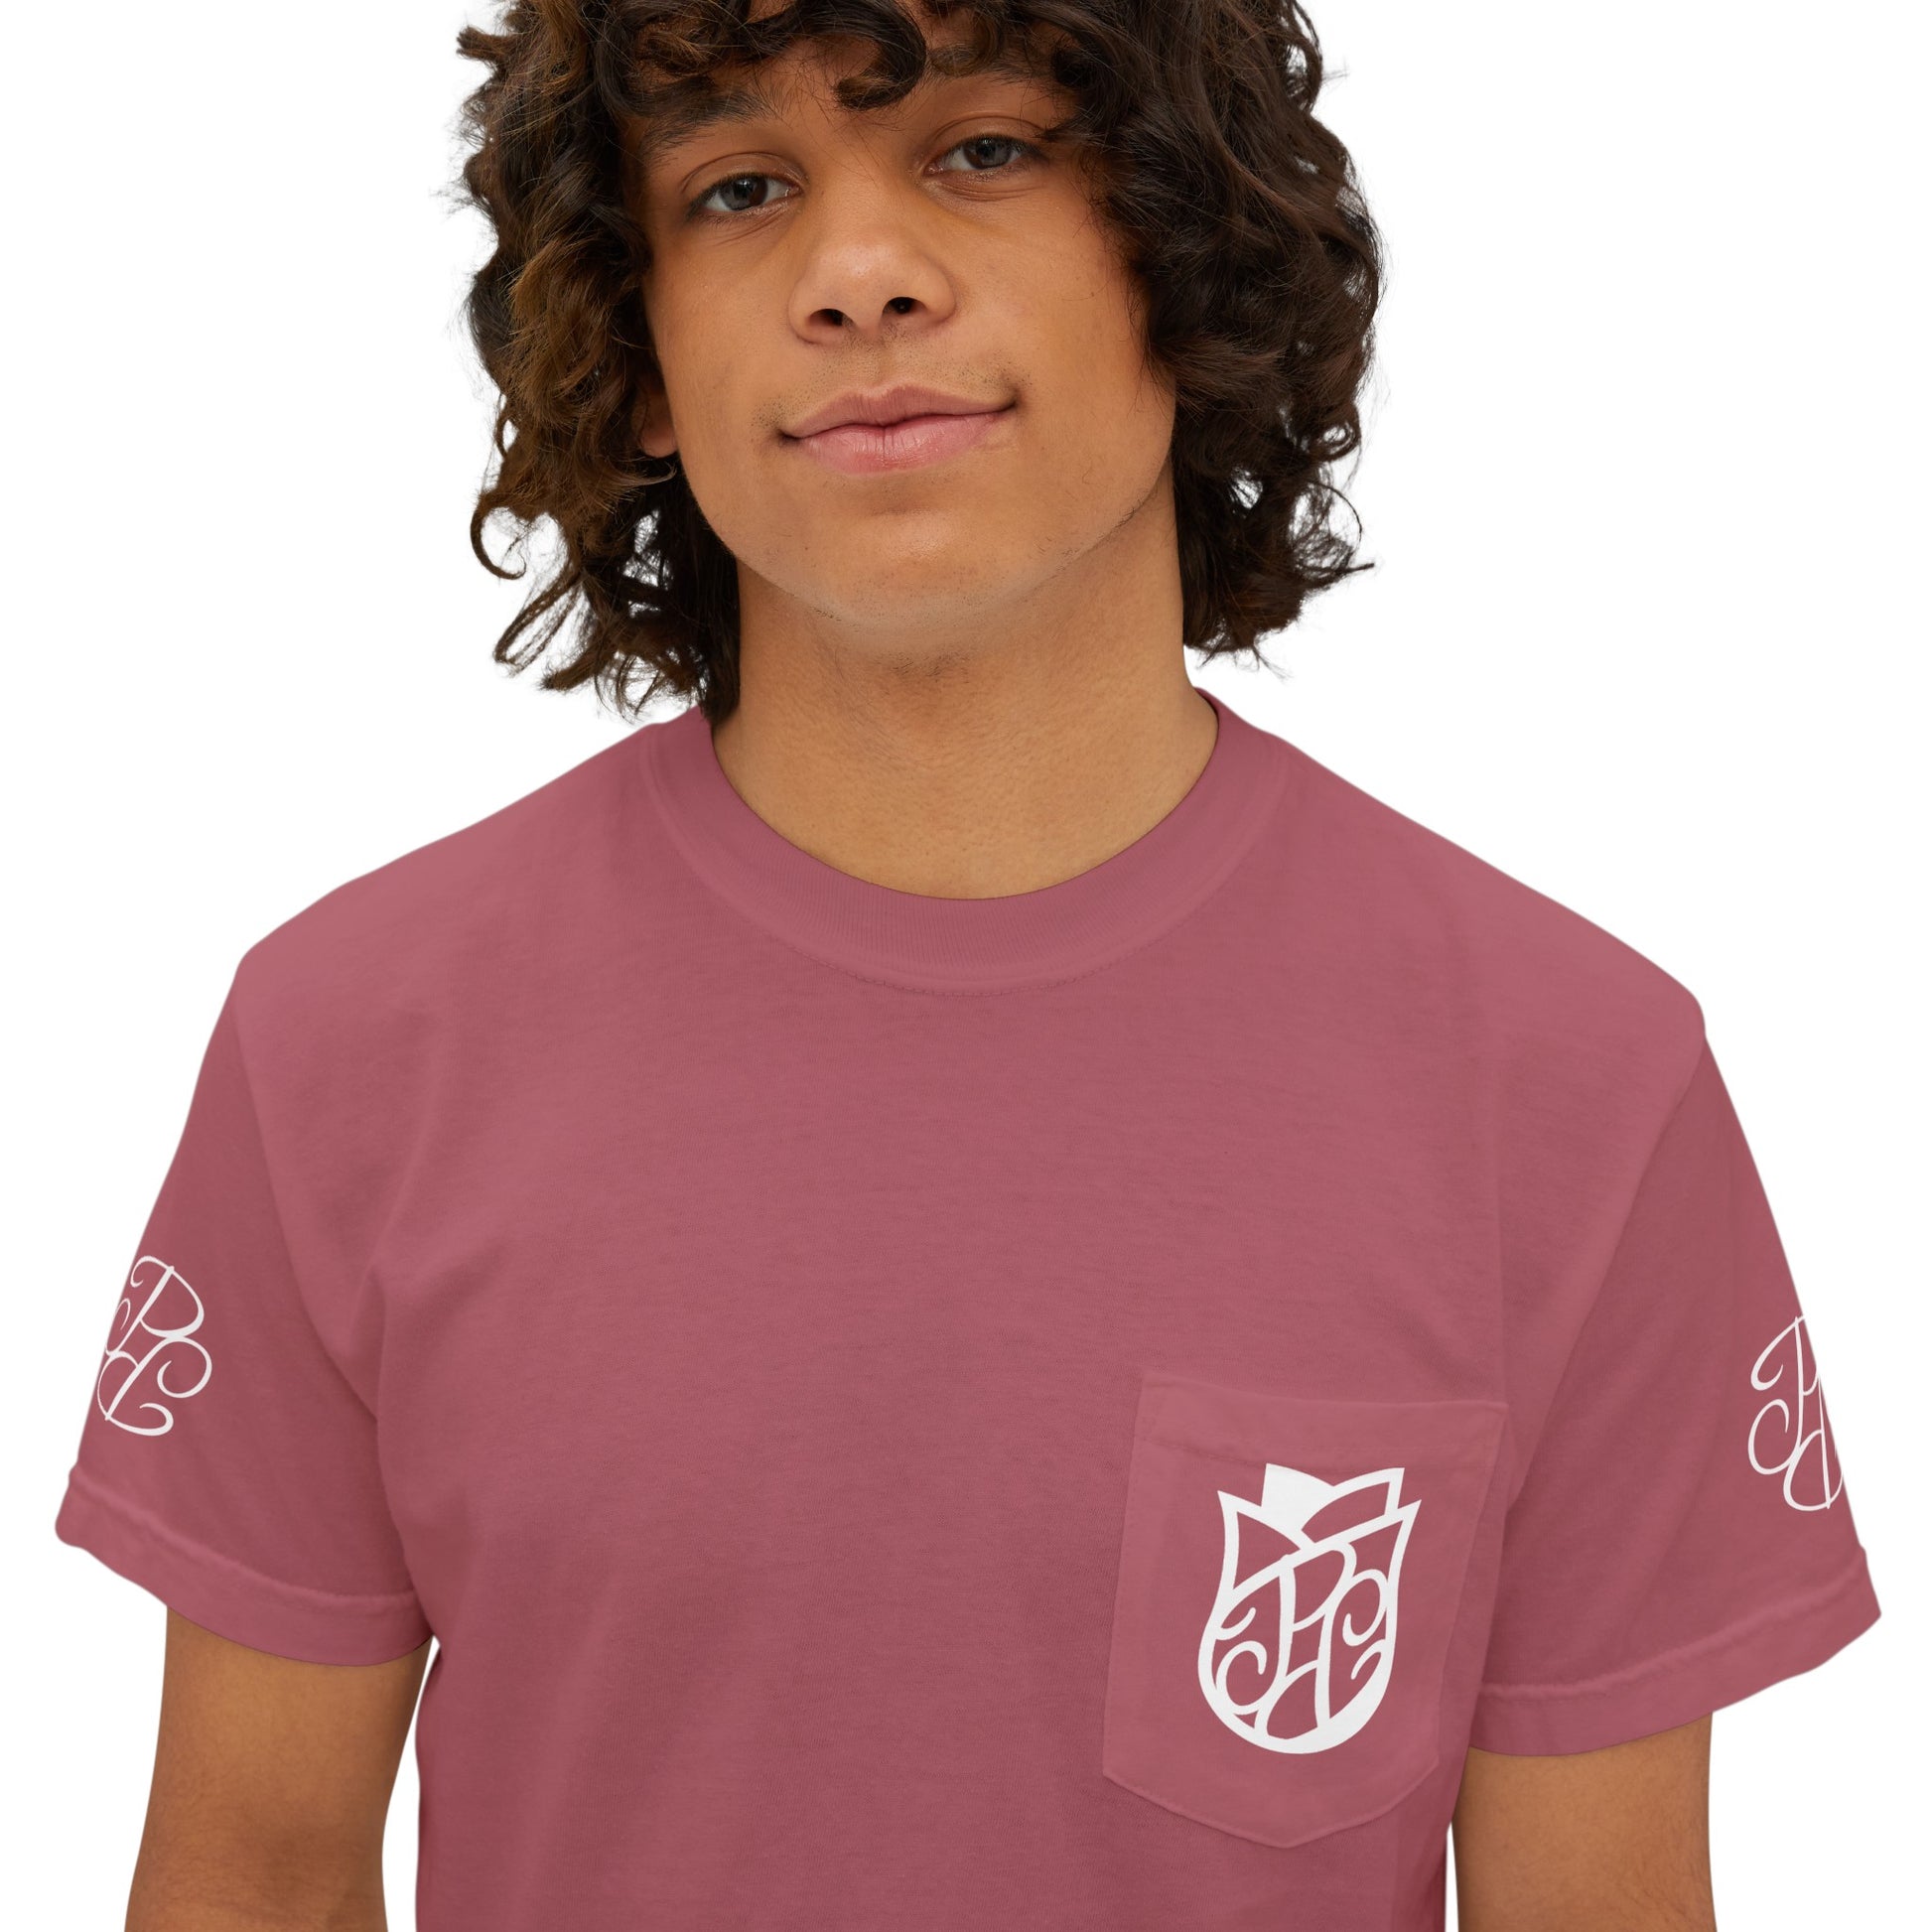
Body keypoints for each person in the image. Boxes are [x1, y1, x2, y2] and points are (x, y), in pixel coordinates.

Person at [54, 3, 1881, 1927]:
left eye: (983, 150)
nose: (858, 272)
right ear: (641, 351)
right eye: (738, 187)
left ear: (1184, 261)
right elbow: (251, 1879)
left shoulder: (1571, 1081)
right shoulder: (349, 1042)